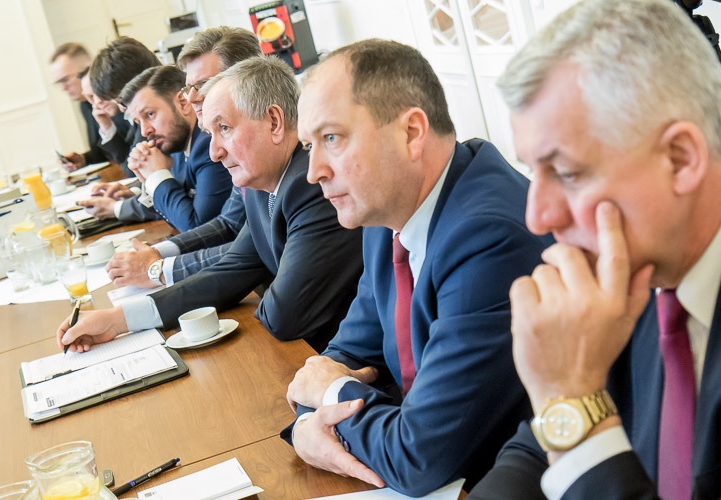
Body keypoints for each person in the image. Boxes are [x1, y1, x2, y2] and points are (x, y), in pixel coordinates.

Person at [468, 1, 721, 499]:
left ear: (680, 158)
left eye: (566, 173)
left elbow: (568, 421)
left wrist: (570, 397)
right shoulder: (630, 274)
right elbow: (538, 444)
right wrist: (563, 401)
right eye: (533, 171)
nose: (537, 217)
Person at [283, 39, 552, 496]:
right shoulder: (386, 214)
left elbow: (419, 454)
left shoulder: (489, 237)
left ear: (411, 133)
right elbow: (341, 358)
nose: (314, 172)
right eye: (309, 145)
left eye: (331, 138)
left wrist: (331, 398)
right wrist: (309, 423)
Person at [56, 56, 363, 353]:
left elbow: (284, 316)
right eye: (209, 134)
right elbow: (231, 270)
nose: (215, 152)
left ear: (274, 121)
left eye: (224, 129)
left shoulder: (309, 185)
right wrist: (118, 319)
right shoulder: (263, 183)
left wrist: (263, 289)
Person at [105, 27, 261, 288]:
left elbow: (203, 226)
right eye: (190, 88)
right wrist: (157, 254)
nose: (192, 98)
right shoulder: (192, 141)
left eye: (203, 85)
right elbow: (228, 224)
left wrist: (156, 269)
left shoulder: (209, 144)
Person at [107, 64, 233, 232]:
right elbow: (177, 209)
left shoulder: (208, 145)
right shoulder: (176, 144)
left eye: (150, 114)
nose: (145, 131)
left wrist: (157, 176)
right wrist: (148, 180)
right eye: (138, 122)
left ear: (183, 103)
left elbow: (198, 229)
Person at [83, 37, 163, 218]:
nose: (121, 109)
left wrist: (117, 208)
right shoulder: (143, 115)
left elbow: (186, 200)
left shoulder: (157, 117)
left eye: (121, 100)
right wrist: (133, 190)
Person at [49, 43, 124, 171]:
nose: (63, 88)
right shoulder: (85, 105)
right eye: (59, 82)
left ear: (86, 70)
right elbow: (105, 152)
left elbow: (126, 150)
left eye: (65, 80)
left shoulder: (112, 100)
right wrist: (84, 159)